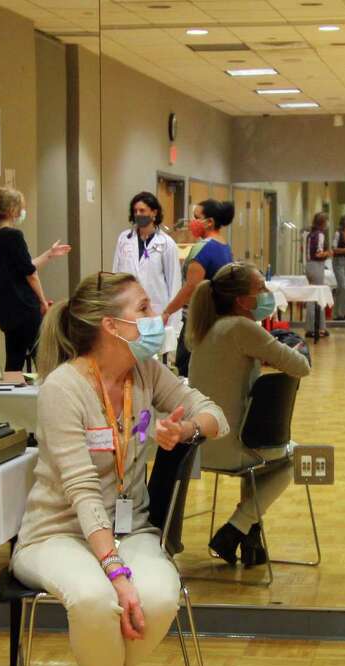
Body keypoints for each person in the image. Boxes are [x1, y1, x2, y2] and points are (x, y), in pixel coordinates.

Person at [11, 272, 228, 666]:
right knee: (94, 598)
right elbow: (82, 490)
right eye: (144, 307)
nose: (156, 317)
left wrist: (187, 428)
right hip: (58, 532)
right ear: (112, 325)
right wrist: (115, 572)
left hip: (131, 529)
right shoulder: (64, 388)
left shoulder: (148, 372)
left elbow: (217, 415)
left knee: (158, 596)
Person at [187, 263, 311, 566]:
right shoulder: (241, 328)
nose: (266, 295)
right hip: (233, 445)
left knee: (262, 457)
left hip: (201, 446)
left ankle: (250, 540)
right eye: (261, 289)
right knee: (293, 458)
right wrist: (296, 345)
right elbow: (300, 366)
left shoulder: (207, 327)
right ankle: (236, 528)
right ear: (242, 300)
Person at [0, 186, 70, 372]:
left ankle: (11, 394)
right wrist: (42, 301)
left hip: (6, 311)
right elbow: (30, 274)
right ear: (13, 210)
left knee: (14, 360)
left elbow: (23, 265)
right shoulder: (14, 236)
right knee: (44, 356)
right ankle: (51, 394)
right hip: (24, 308)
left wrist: (50, 254)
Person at [162, 199, 235, 376]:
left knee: (187, 369)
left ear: (209, 222)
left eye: (196, 217)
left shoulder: (204, 249)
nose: (192, 222)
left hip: (199, 320)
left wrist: (167, 311)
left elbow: (190, 288)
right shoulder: (224, 246)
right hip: (216, 318)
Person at [112, 191, 182, 329]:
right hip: (128, 307)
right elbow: (116, 274)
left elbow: (174, 284)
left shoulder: (166, 243)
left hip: (156, 311)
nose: (138, 214)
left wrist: (173, 323)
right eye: (135, 211)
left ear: (154, 212)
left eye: (142, 210)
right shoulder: (124, 239)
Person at [304, 212, 332, 339]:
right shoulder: (320, 235)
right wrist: (329, 253)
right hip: (316, 266)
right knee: (317, 296)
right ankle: (317, 328)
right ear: (323, 222)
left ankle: (317, 326)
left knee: (312, 295)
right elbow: (318, 253)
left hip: (309, 266)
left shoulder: (310, 234)